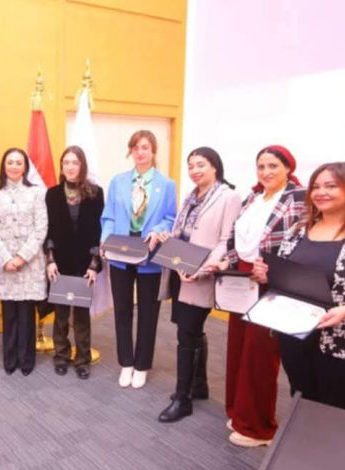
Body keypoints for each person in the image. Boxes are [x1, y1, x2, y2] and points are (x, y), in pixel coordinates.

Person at [253, 162, 345, 411]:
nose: (321, 192)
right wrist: (268, 276)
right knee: (301, 400)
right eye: (316, 187)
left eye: (331, 186)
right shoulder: (298, 230)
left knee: (334, 408)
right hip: (295, 333)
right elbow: (290, 278)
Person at [221, 145, 305, 447]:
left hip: (271, 281)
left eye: (273, 166)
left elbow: (302, 244)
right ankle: (239, 412)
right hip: (242, 279)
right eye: (261, 166)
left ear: (288, 168)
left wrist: (272, 271)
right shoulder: (253, 197)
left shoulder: (299, 198)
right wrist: (230, 262)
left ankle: (258, 428)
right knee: (238, 347)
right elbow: (235, 236)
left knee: (261, 353)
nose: (266, 172)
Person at [155, 147, 241, 422]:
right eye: (191, 166)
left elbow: (226, 240)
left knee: (187, 334)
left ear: (215, 166)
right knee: (189, 330)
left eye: (200, 165)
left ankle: (183, 399)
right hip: (180, 270)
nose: (194, 170)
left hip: (200, 273)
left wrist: (201, 269)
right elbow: (184, 233)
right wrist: (167, 238)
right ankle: (198, 385)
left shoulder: (228, 196)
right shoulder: (192, 195)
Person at [101, 130, 176, 388]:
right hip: (120, 251)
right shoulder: (118, 182)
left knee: (148, 312)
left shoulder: (166, 184)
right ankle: (126, 362)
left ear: (153, 151)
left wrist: (159, 230)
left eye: (145, 147)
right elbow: (108, 216)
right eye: (136, 148)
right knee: (122, 309)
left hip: (150, 254)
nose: (140, 152)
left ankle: (142, 365)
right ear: (130, 151)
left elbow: (170, 217)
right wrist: (105, 240)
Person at [0, 148, 48, 376]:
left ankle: (26, 359)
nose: (14, 166)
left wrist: (22, 256)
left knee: (26, 314)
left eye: (18, 162)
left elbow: (41, 228)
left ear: (25, 167)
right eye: (10, 162)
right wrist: (6, 258)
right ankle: (10, 359)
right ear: (4, 166)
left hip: (29, 263)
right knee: (9, 313)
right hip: (5, 266)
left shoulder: (37, 193)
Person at [45, 146, 104, 379]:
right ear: (61, 166)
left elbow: (99, 231)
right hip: (59, 262)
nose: (70, 167)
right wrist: (50, 260)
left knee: (81, 314)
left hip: (84, 263)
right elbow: (48, 230)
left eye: (75, 162)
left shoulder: (96, 193)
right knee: (60, 314)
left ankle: (82, 359)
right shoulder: (52, 194)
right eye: (66, 162)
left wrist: (94, 264)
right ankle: (61, 356)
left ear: (82, 166)